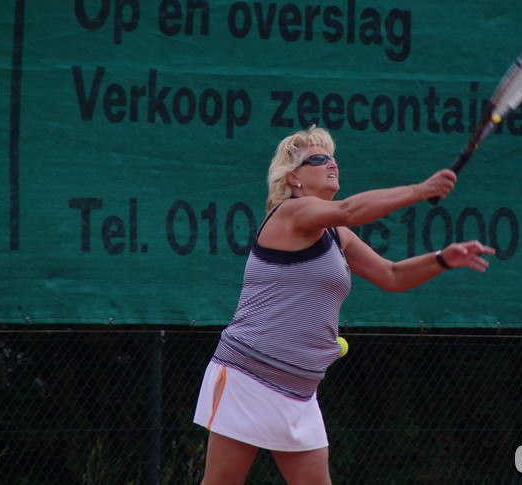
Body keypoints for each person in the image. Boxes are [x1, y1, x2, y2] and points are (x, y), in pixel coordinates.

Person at [193, 126, 495, 485]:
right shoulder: (290, 214)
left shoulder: (337, 236)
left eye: (332, 157)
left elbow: (392, 275)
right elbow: (350, 209)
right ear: (293, 178)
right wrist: (420, 190)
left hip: (300, 392)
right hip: (248, 378)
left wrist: (443, 258)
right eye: (318, 159)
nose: (331, 163)